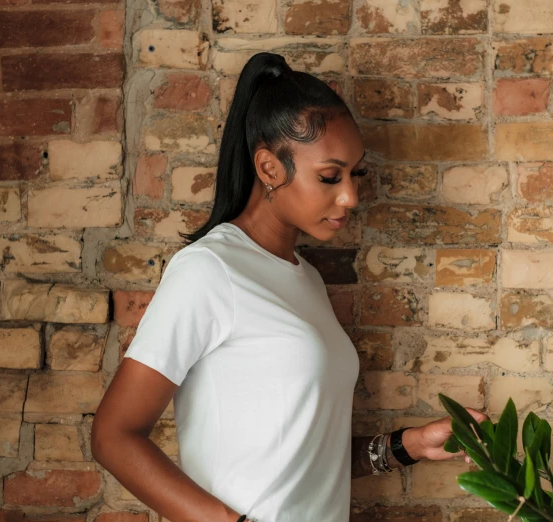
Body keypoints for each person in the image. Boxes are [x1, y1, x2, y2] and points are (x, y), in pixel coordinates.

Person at [91, 52, 488, 522]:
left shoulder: (306, 280)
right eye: (329, 177)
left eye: (354, 174)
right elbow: (113, 436)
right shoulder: (209, 270)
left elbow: (306, 460)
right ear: (270, 168)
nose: (351, 197)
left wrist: (410, 446)